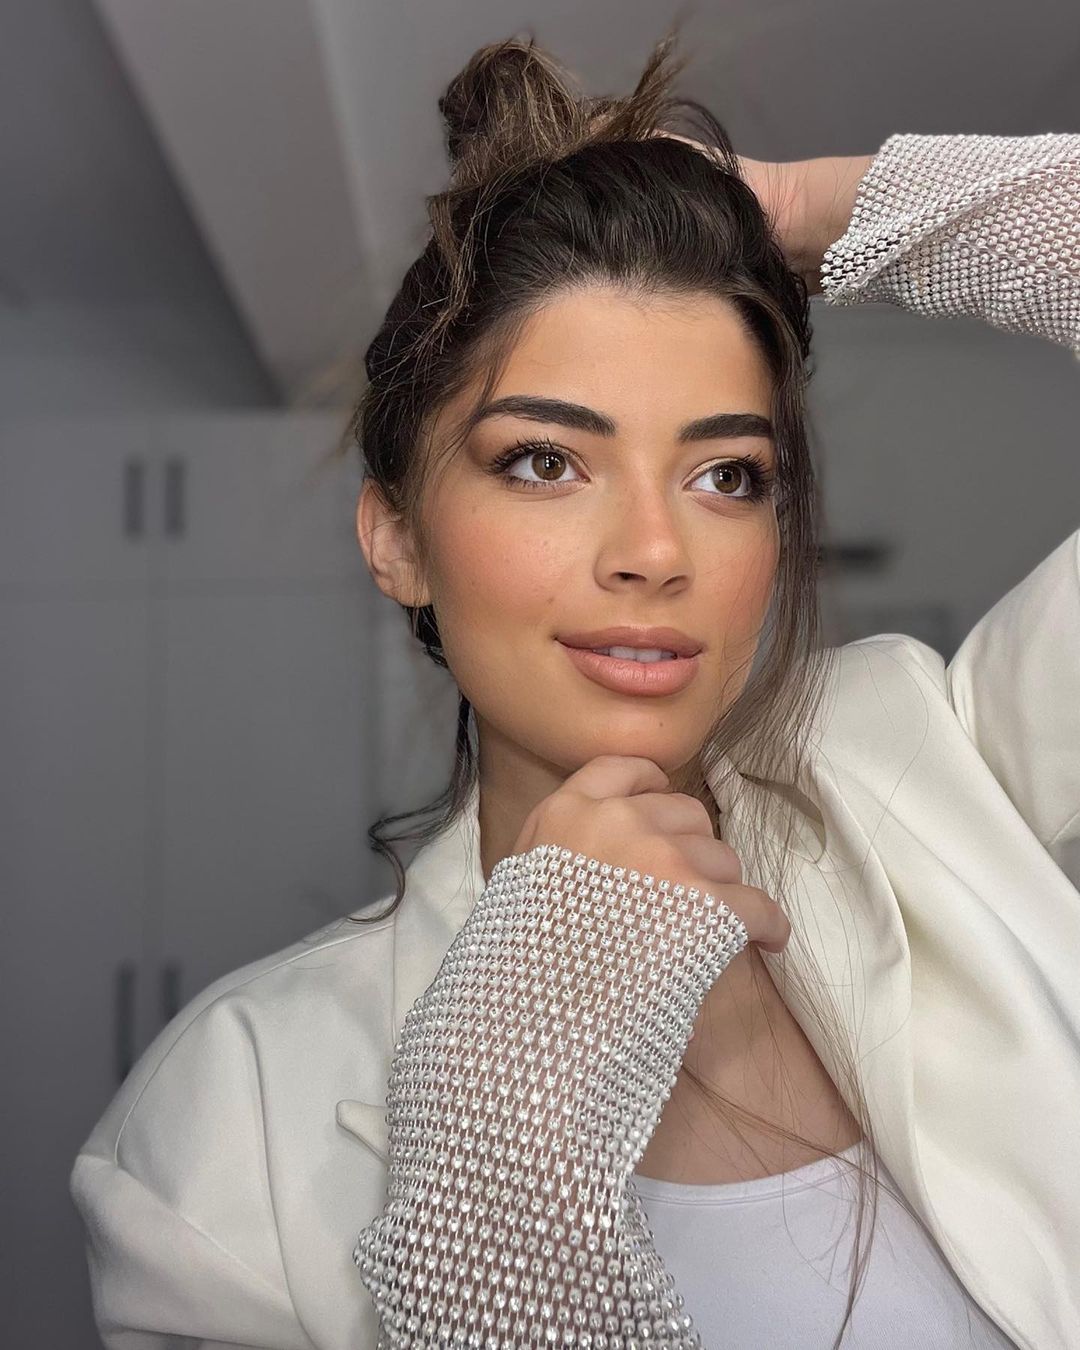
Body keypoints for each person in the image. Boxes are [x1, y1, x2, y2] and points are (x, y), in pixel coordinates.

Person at [69, 27, 1080, 1350]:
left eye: (727, 475)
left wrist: (798, 208)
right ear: (398, 537)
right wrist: (510, 1116)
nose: (655, 551)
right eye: (545, 461)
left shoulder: (944, 767)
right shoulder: (219, 1134)